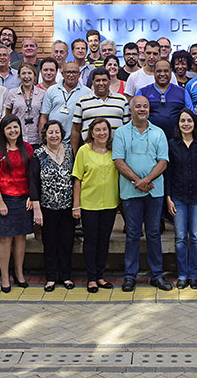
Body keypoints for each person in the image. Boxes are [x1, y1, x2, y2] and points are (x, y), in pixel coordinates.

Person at [114, 96, 172, 291]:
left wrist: (145, 181)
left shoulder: (158, 132)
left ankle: (157, 275)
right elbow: (119, 161)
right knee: (132, 234)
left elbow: (163, 161)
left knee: (154, 233)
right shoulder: (121, 132)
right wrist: (137, 181)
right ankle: (130, 276)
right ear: (131, 110)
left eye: (145, 106)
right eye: (137, 106)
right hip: (130, 193)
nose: (141, 109)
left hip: (154, 192)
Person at [72, 118, 119, 292]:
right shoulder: (84, 150)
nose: (101, 133)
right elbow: (77, 178)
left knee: (103, 240)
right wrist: (76, 205)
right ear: (91, 132)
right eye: (97, 130)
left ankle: (100, 275)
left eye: (104, 130)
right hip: (89, 204)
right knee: (91, 241)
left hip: (110, 203)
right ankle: (91, 278)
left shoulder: (114, 150)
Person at [0, 115, 34, 293]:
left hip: (24, 199)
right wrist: (0, 202)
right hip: (4, 198)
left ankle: (19, 273)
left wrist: (32, 196)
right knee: (5, 239)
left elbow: (32, 175)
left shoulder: (28, 148)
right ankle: (5, 276)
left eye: (16, 127)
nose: (13, 131)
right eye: (9, 128)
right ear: (3, 131)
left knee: (21, 237)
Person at [29, 120, 76, 291]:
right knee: (50, 242)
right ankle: (50, 277)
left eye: (57, 132)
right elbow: (33, 182)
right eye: (50, 132)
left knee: (67, 242)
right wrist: (36, 208)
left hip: (67, 207)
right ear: (45, 135)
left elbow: (76, 178)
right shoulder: (38, 154)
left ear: (62, 134)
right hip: (47, 207)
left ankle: (66, 276)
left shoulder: (70, 151)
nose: (54, 135)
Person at [165, 109, 197, 289]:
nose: (186, 124)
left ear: (194, 123)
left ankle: (193, 275)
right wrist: (168, 197)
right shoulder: (172, 144)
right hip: (178, 197)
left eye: (189, 121)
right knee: (181, 237)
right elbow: (167, 172)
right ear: (178, 124)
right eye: (183, 121)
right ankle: (182, 275)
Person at [70, 70, 130, 152]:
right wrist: (74, 153)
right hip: (90, 150)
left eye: (104, 80)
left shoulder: (122, 100)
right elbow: (76, 130)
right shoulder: (82, 101)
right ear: (93, 83)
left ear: (109, 82)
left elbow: (127, 128)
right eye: (98, 80)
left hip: (116, 150)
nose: (101, 83)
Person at [140, 59, 194, 139]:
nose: (162, 74)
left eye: (166, 71)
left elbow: (191, 116)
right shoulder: (143, 92)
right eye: (159, 71)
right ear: (154, 72)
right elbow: (135, 116)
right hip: (149, 140)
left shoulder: (182, 92)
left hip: (177, 141)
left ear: (171, 72)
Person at [40, 61, 90, 145]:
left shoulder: (87, 93)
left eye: (74, 72)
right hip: (53, 139)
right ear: (62, 73)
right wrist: (42, 140)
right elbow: (44, 117)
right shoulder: (51, 90)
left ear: (79, 74)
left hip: (76, 140)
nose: (71, 75)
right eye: (68, 72)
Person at [4, 63, 45, 148]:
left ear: (34, 75)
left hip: (35, 139)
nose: (27, 76)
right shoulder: (12, 93)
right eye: (23, 73)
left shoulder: (42, 94)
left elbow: (43, 116)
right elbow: (7, 116)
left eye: (29, 73)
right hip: (17, 138)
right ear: (19, 76)